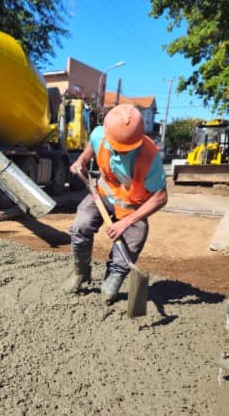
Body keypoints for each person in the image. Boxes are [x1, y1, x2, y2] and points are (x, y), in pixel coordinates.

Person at [65, 103, 168, 304]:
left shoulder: (150, 157)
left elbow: (161, 197)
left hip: (132, 206)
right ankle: (81, 272)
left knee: (129, 245)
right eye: (116, 148)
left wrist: (126, 223)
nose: (119, 153)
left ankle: (112, 281)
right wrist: (81, 161)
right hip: (103, 193)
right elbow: (91, 147)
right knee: (80, 226)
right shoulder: (99, 134)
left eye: (125, 150)